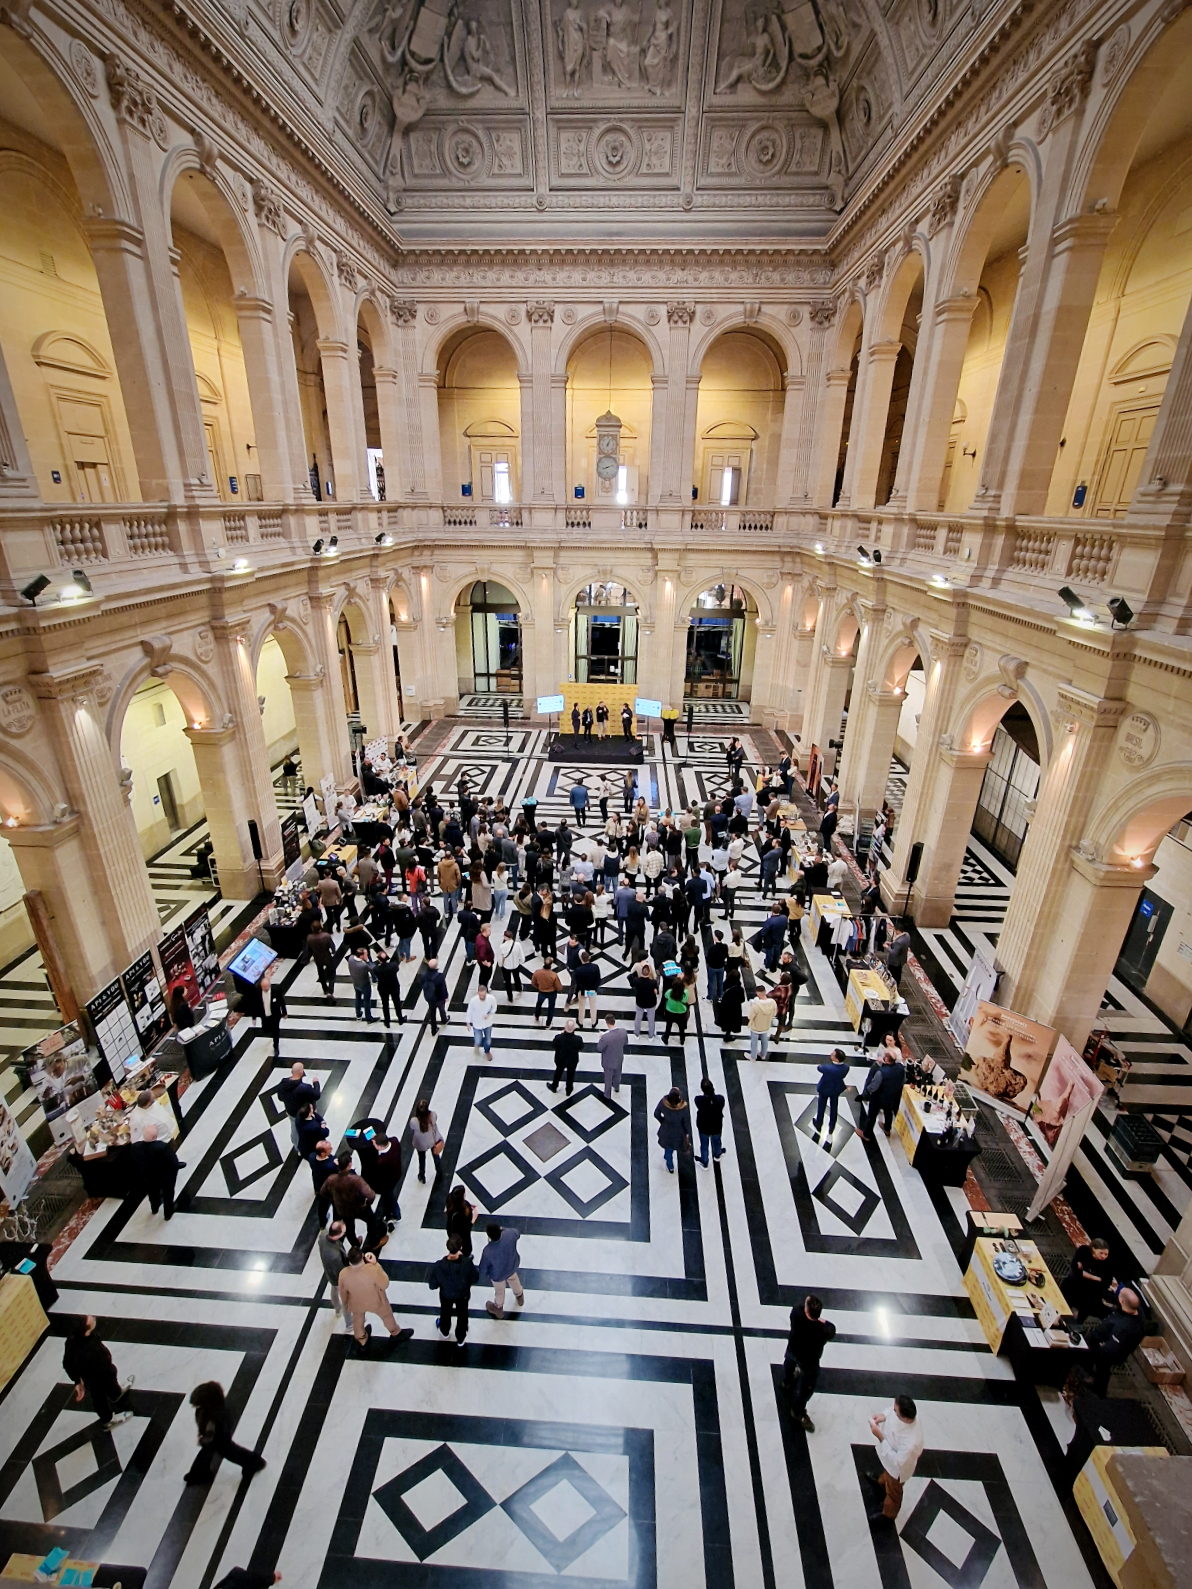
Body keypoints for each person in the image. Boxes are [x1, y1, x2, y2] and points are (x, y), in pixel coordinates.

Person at [185, 1380, 266, 1485]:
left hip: (217, 1437)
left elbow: (210, 1430)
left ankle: (254, 1463)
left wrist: (205, 1438)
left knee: (229, 1452)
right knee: (215, 1452)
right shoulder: (216, 1409)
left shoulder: (211, 1415)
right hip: (217, 1436)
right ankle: (199, 1474)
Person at [64, 1315, 135, 1429]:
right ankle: (108, 1420)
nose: (93, 1318)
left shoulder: (72, 1340)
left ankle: (116, 1393)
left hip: (100, 1374)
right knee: (99, 1399)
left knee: (111, 1384)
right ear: (87, 1331)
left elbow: (67, 1363)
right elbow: (71, 1364)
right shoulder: (88, 1349)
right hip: (96, 1378)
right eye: (92, 1320)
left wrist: (77, 1381)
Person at [339, 1246, 414, 1352]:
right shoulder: (372, 1269)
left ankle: (362, 1340)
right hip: (376, 1300)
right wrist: (375, 1263)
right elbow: (385, 1283)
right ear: (362, 1256)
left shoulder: (343, 1274)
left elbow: (342, 1292)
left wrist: (346, 1303)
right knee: (386, 1315)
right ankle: (395, 1333)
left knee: (357, 1320)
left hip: (356, 1302)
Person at [784, 1294, 836, 1432]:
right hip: (809, 1361)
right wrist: (819, 1320)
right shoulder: (823, 1331)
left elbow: (799, 1308)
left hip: (794, 1349)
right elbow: (831, 1327)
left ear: (806, 1310)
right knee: (807, 1387)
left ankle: (787, 1381)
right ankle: (797, 1410)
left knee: (788, 1363)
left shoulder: (796, 1314)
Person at [866, 1395, 923, 1520]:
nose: (893, 1411)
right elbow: (892, 1411)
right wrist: (883, 1416)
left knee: (894, 1493)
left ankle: (888, 1515)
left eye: (895, 1412)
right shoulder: (904, 1414)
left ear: (907, 1419)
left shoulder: (911, 1444)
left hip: (897, 1471)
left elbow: (897, 1463)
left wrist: (881, 1437)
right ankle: (882, 1484)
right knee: (887, 1475)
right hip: (888, 1462)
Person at [1082, 1287, 1146, 1397]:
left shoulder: (1123, 1328)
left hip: (1108, 1350)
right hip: (1110, 1338)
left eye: (1119, 1294)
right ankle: (1088, 1368)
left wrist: (1101, 1347)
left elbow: (1111, 1349)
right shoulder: (1136, 1310)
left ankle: (1098, 1391)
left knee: (1103, 1369)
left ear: (1121, 1301)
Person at [322, 1151, 383, 1251]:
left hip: (343, 1210)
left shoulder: (331, 1179)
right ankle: (374, 1242)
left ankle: (355, 1244)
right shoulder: (356, 1180)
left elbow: (323, 1192)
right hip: (360, 1208)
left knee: (349, 1229)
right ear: (349, 1165)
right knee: (372, 1222)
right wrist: (367, 1203)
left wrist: (334, 1199)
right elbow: (371, 1195)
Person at [428, 1233, 480, 1345]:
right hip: (463, 1295)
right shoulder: (467, 1264)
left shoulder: (439, 1266)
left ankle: (444, 1330)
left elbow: (432, 1285)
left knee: (445, 1312)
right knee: (462, 1315)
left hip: (446, 1295)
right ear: (460, 1247)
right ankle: (460, 1337)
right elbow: (475, 1278)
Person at [130, 1121, 183, 1219]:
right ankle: (168, 1213)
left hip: (149, 1176)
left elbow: (135, 1161)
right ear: (154, 1137)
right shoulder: (161, 1146)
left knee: (152, 1193)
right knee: (168, 1194)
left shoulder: (135, 1147)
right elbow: (173, 1161)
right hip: (165, 1176)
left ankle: (154, 1208)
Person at [1062, 1237, 1116, 1323]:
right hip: (1074, 1286)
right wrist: (1097, 1278)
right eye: (1101, 1253)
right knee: (1065, 1302)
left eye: (1106, 1254)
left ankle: (1078, 1321)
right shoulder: (1083, 1251)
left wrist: (1084, 1273)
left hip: (1091, 1294)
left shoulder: (1108, 1265)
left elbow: (1106, 1283)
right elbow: (1075, 1268)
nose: (1103, 1256)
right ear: (1094, 1249)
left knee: (1084, 1312)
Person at [860, 1045, 905, 1141]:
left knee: (872, 1115)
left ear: (886, 1059)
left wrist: (868, 1091)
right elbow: (902, 1081)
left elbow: (874, 1086)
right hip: (891, 1095)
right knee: (888, 1112)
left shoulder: (881, 1072)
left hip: (878, 1097)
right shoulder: (900, 1068)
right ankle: (887, 1129)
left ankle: (866, 1134)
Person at [479, 1222, 525, 1317]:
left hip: (498, 1275)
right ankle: (519, 1296)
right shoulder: (509, 1235)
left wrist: (481, 1276)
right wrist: (503, 1229)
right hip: (512, 1266)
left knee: (499, 1291)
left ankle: (498, 1308)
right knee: (514, 1280)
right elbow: (517, 1232)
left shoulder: (488, 1251)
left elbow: (483, 1269)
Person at [814, 1049, 851, 1137]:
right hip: (836, 1089)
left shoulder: (827, 1068)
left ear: (836, 1059)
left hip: (824, 1089)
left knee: (821, 1107)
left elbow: (819, 1067)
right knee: (834, 1108)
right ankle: (831, 1127)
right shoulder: (846, 1067)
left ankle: (819, 1123)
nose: (831, 1054)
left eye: (833, 1054)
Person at [654, 1086, 691, 1173]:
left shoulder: (664, 1103)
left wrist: (662, 1121)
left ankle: (670, 1166)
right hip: (679, 1131)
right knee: (675, 1145)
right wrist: (687, 1131)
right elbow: (686, 1121)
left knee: (668, 1147)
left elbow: (656, 1113)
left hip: (666, 1129)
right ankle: (668, 1159)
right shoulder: (683, 1107)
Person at [318, 1220, 349, 1323]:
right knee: (341, 1294)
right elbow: (341, 1272)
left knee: (334, 1290)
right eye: (343, 1232)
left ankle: (337, 1308)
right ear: (338, 1234)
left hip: (330, 1270)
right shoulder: (334, 1256)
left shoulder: (323, 1234)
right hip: (336, 1276)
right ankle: (345, 1316)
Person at [369, 1131, 402, 1226]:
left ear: (380, 1147)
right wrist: (377, 1138)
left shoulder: (382, 1161)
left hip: (388, 1182)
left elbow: (379, 1175)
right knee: (390, 1197)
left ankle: (396, 1215)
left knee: (390, 1198)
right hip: (397, 1173)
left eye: (374, 1144)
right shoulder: (394, 1141)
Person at [695, 1076, 725, 1168]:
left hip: (704, 1127)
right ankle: (717, 1154)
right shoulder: (720, 1099)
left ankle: (704, 1161)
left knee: (704, 1145)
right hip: (716, 1125)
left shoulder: (699, 1100)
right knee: (717, 1141)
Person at [410, 1098, 443, 1182]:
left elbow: (411, 1128)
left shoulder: (414, 1121)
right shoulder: (432, 1115)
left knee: (421, 1159)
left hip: (421, 1143)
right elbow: (436, 1119)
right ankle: (439, 1171)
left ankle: (422, 1175)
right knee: (436, 1156)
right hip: (432, 1140)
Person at [549, 1018, 583, 1095]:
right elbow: (581, 1047)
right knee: (571, 1074)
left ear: (565, 1027)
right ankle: (569, 1089)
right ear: (574, 1028)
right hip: (572, 1060)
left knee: (558, 1072)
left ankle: (554, 1086)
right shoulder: (578, 1039)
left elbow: (553, 1045)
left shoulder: (559, 1038)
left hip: (560, 1059)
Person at [597, 1013, 628, 1098]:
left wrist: (601, 1038)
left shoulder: (605, 1037)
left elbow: (599, 1048)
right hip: (619, 1057)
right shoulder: (623, 1031)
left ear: (607, 1023)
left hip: (608, 1060)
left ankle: (607, 1094)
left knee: (608, 1078)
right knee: (618, 1074)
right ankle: (617, 1087)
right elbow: (625, 1043)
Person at [372, 947, 403, 1028]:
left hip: (383, 988)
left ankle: (387, 1021)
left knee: (385, 1004)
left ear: (379, 960)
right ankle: (400, 1019)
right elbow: (397, 968)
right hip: (394, 986)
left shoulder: (377, 969)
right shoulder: (393, 966)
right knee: (397, 1003)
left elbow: (374, 971)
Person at [445, 1182, 479, 1254]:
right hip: (461, 1237)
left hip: (452, 1233)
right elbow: (466, 1228)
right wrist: (474, 1218)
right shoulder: (460, 1214)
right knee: (465, 1250)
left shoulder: (451, 1204)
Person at [467, 982, 497, 1058]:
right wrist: (468, 1022)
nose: (482, 997)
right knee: (478, 1039)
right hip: (477, 1023)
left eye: (483, 995)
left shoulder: (491, 999)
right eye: (480, 995)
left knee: (488, 1040)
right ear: (478, 993)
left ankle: (487, 1051)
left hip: (487, 1023)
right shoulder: (473, 1001)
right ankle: (476, 1045)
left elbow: (494, 1008)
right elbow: (469, 1011)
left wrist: (489, 1015)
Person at [746, 987, 778, 1060]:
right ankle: (763, 1054)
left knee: (754, 1041)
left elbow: (750, 1016)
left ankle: (753, 1056)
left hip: (756, 1026)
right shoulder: (772, 1002)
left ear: (757, 993)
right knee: (764, 1039)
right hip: (766, 1025)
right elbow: (774, 1014)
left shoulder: (756, 1005)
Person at [531, 957, 563, 1026]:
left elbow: (533, 983)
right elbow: (559, 987)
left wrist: (539, 987)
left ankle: (536, 1015)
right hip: (552, 993)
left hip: (542, 991)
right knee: (551, 1008)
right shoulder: (553, 975)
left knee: (539, 1004)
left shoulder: (537, 972)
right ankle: (548, 1023)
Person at [661, 973, 692, 1046]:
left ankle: (666, 1038)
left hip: (670, 1011)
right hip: (681, 1012)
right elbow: (685, 1001)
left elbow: (665, 996)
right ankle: (682, 1039)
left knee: (668, 1026)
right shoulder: (685, 993)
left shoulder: (670, 992)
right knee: (681, 1027)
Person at [348, 946, 376, 1023]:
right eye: (366, 954)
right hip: (365, 984)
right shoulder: (363, 965)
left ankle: (358, 1015)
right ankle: (369, 1018)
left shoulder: (351, 958)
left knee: (358, 998)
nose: (367, 956)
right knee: (366, 1001)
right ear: (361, 956)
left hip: (356, 982)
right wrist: (367, 960)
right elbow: (373, 968)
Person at [421, 957, 449, 1033]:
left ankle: (433, 1029)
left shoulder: (424, 975)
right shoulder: (440, 976)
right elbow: (443, 988)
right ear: (436, 966)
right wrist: (446, 996)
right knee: (442, 1010)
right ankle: (444, 1019)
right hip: (439, 998)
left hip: (430, 998)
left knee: (432, 1013)